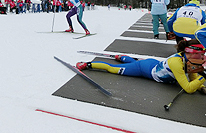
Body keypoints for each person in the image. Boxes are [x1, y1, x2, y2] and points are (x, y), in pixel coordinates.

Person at [76, 39, 206, 94]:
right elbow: (188, 88)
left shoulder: (187, 59)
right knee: (113, 69)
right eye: (200, 55)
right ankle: (87, 64)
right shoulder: (177, 63)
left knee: (132, 63)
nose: (202, 58)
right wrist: (203, 79)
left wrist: (200, 86)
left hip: (153, 64)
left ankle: (121, 57)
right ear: (191, 53)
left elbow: (193, 76)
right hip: (146, 70)